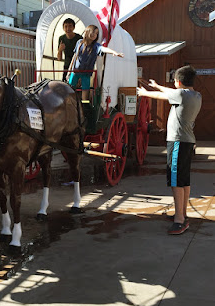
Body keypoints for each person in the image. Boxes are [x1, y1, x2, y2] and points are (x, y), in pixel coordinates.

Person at [137, 65, 202, 235]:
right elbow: (165, 94)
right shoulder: (196, 95)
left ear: (178, 82)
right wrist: (156, 86)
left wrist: (146, 92)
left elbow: (164, 93)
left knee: (175, 181)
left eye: (174, 82)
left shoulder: (181, 94)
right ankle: (183, 213)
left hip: (178, 142)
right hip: (188, 141)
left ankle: (179, 220)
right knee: (184, 180)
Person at [68, 25, 124, 101]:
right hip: (75, 71)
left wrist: (114, 52)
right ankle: (69, 102)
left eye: (96, 33)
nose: (94, 34)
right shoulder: (79, 42)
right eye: (93, 32)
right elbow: (74, 57)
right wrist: (69, 70)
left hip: (86, 73)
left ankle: (84, 106)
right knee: (70, 88)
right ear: (87, 32)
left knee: (85, 90)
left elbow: (104, 49)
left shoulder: (96, 46)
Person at [57, 18, 82, 82]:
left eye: (70, 26)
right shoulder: (61, 38)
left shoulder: (79, 38)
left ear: (73, 27)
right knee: (65, 85)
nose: (68, 29)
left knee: (76, 85)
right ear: (63, 28)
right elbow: (59, 58)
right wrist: (60, 50)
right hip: (67, 65)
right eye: (66, 26)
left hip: (77, 66)